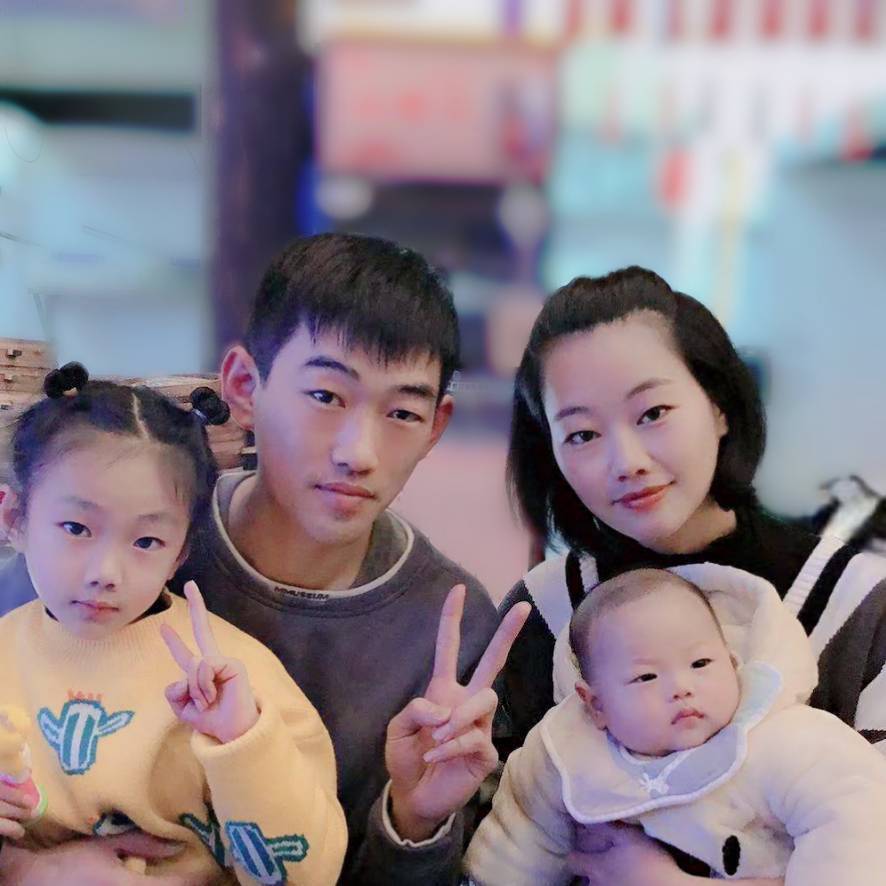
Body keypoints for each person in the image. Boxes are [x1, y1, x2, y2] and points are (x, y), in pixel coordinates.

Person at [0, 233, 530, 885]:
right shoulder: (107, 542)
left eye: (401, 412)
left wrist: (415, 819)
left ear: (436, 426)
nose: (358, 452)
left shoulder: (449, 629)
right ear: (245, 386)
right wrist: (27, 868)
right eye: (326, 396)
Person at [498, 266, 886, 884]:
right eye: (582, 434)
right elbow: (497, 849)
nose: (626, 461)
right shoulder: (545, 610)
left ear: (720, 407)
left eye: (652, 413)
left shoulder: (855, 599)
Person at [0, 363, 347, 884]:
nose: (106, 573)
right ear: (14, 520)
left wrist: (242, 740)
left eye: (146, 541)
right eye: (76, 527)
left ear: (180, 553)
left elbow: (308, 875)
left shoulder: (236, 676)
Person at [467, 566, 886, 884]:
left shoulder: (786, 741)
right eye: (646, 677)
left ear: (733, 664)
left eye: (701, 663)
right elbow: (517, 847)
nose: (682, 687)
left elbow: (854, 820)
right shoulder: (565, 757)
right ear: (596, 705)